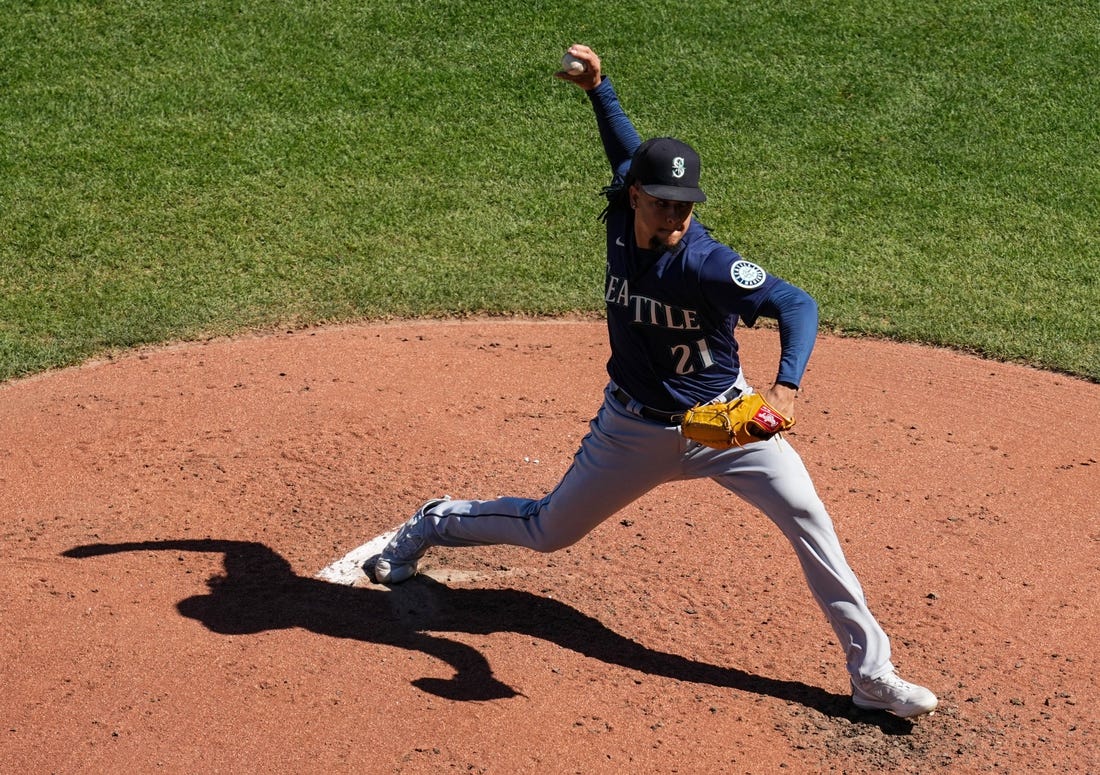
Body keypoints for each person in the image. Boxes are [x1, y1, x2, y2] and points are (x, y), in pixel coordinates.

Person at [369, 44, 938, 718]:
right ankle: (435, 520)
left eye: (685, 206)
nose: (675, 216)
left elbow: (797, 304)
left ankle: (872, 674)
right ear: (635, 195)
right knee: (549, 529)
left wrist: (785, 390)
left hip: (728, 427)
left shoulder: (706, 264)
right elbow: (625, 147)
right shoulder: (620, 213)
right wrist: (599, 90)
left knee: (811, 522)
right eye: (662, 202)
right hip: (633, 430)